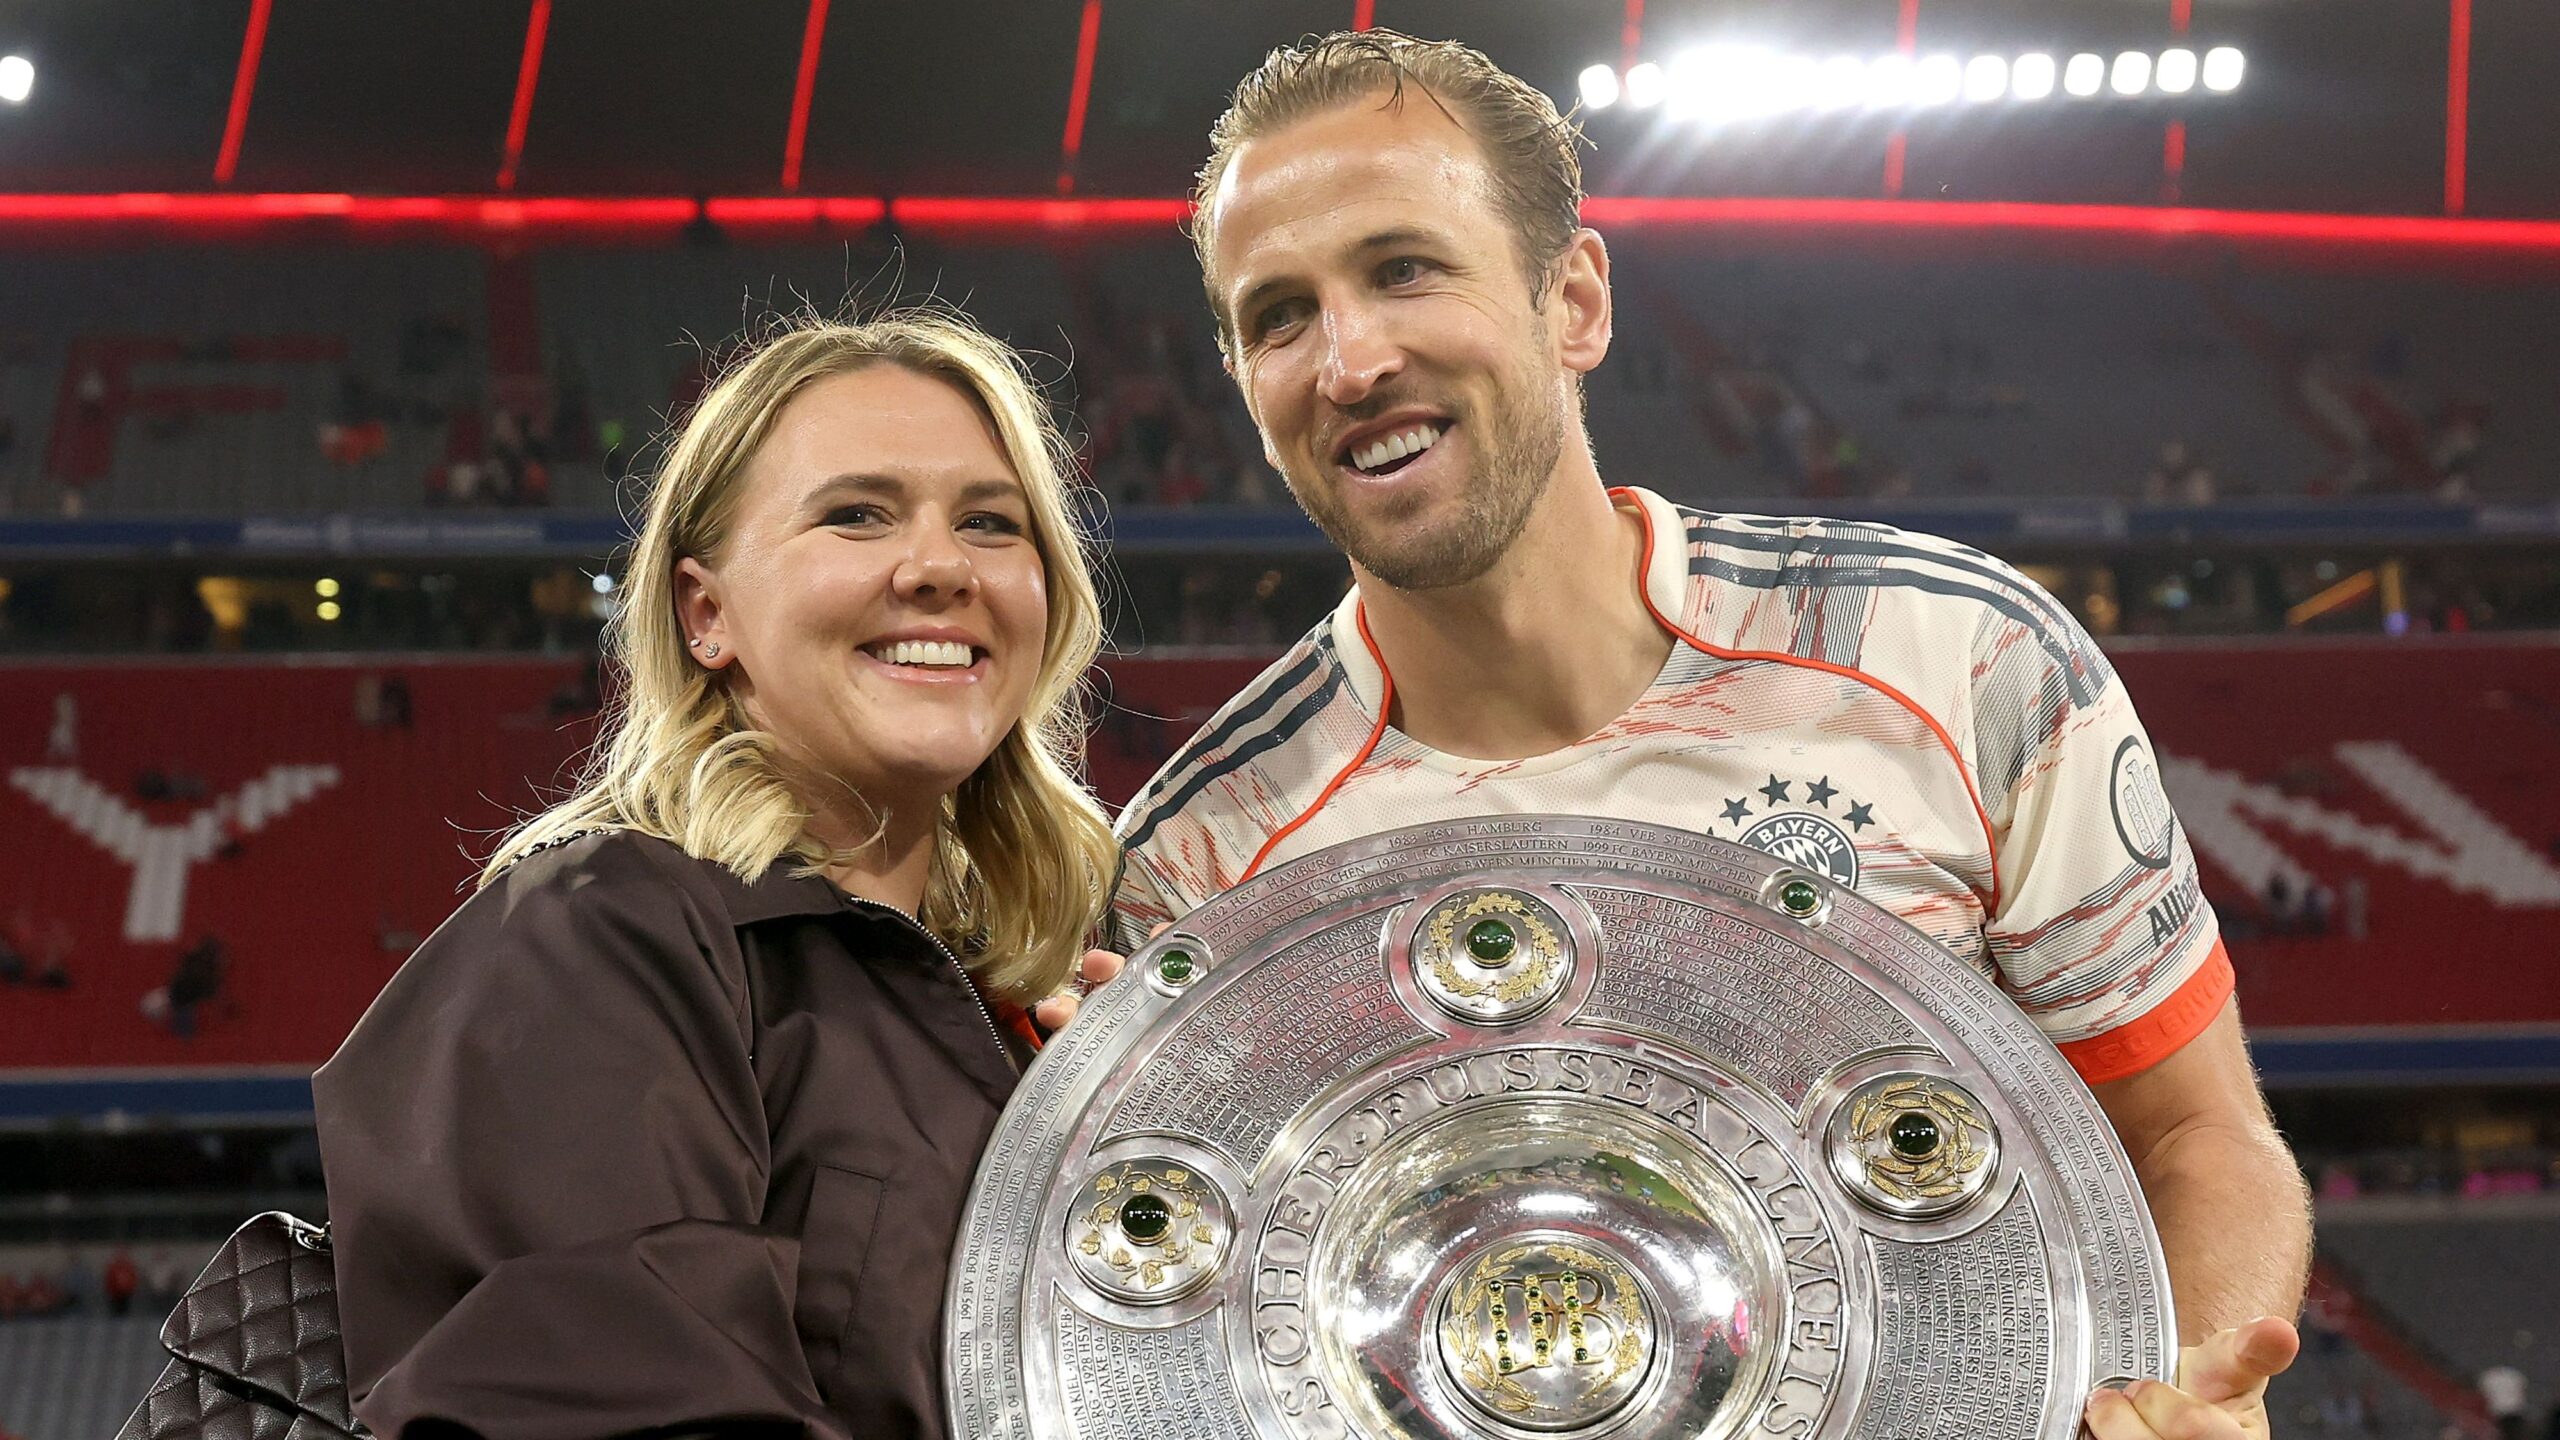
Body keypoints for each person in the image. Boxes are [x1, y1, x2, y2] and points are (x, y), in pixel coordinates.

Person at [1108, 31, 2310, 1440]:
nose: (1350, 360)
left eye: (1405, 269)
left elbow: (2193, 1133)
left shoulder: (1954, 657)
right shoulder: (1203, 866)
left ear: (1574, 301)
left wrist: (2191, 1388)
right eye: (1279, 317)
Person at [313, 310, 1123, 1439]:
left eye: (991, 523)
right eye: (857, 514)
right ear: (706, 613)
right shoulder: (598, 938)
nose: (942, 567)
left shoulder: (1020, 1006)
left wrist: (1138, 1163)